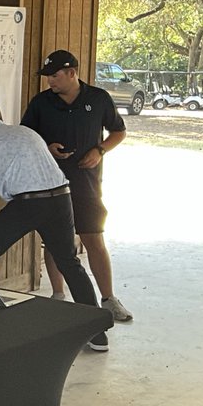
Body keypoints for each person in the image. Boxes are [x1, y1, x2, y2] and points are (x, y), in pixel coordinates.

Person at [0, 98, 109, 352]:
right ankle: (98, 334)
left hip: (29, 203)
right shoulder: (25, 132)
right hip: (61, 197)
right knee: (69, 263)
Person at [21, 49, 133, 323]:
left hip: (87, 184)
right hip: (51, 183)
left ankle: (108, 299)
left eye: (55, 76)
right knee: (55, 242)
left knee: (93, 238)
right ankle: (59, 296)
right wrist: (47, 148)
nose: (50, 81)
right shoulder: (41, 103)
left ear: (72, 73)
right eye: (48, 76)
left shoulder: (98, 99)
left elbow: (119, 131)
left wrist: (100, 150)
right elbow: (26, 137)